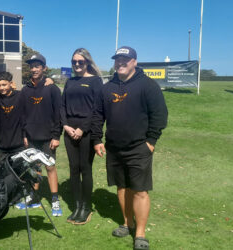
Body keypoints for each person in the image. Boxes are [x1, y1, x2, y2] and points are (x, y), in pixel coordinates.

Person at [91, 46, 168, 250]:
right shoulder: (107, 88)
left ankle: (140, 234)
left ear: (134, 61)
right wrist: (97, 140)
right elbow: (98, 116)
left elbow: (160, 116)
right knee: (122, 187)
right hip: (114, 148)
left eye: (125, 60)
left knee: (140, 190)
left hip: (139, 148)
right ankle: (127, 223)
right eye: (118, 60)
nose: (120, 63)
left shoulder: (147, 85)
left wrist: (151, 141)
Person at [16, 53, 63, 217]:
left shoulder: (52, 88)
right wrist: (24, 134)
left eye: (37, 66)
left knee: (50, 167)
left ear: (44, 68)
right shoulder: (26, 89)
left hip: (48, 137)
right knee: (35, 167)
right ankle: (34, 197)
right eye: (32, 66)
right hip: (31, 136)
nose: (34, 69)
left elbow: (59, 114)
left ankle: (55, 199)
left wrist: (56, 136)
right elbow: (22, 115)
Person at [60, 48, 103, 225]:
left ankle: (86, 207)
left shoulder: (95, 81)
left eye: (80, 62)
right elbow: (62, 106)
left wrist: (82, 129)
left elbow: (97, 109)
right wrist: (66, 125)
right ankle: (76, 206)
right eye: (74, 62)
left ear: (87, 62)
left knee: (85, 168)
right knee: (73, 168)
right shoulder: (69, 82)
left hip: (86, 131)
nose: (77, 65)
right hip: (69, 130)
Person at [0, 71, 25, 168]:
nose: (2, 88)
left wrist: (48, 80)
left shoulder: (20, 96)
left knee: (18, 173)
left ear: (11, 83)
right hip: (2, 145)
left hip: (18, 145)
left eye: (4, 84)